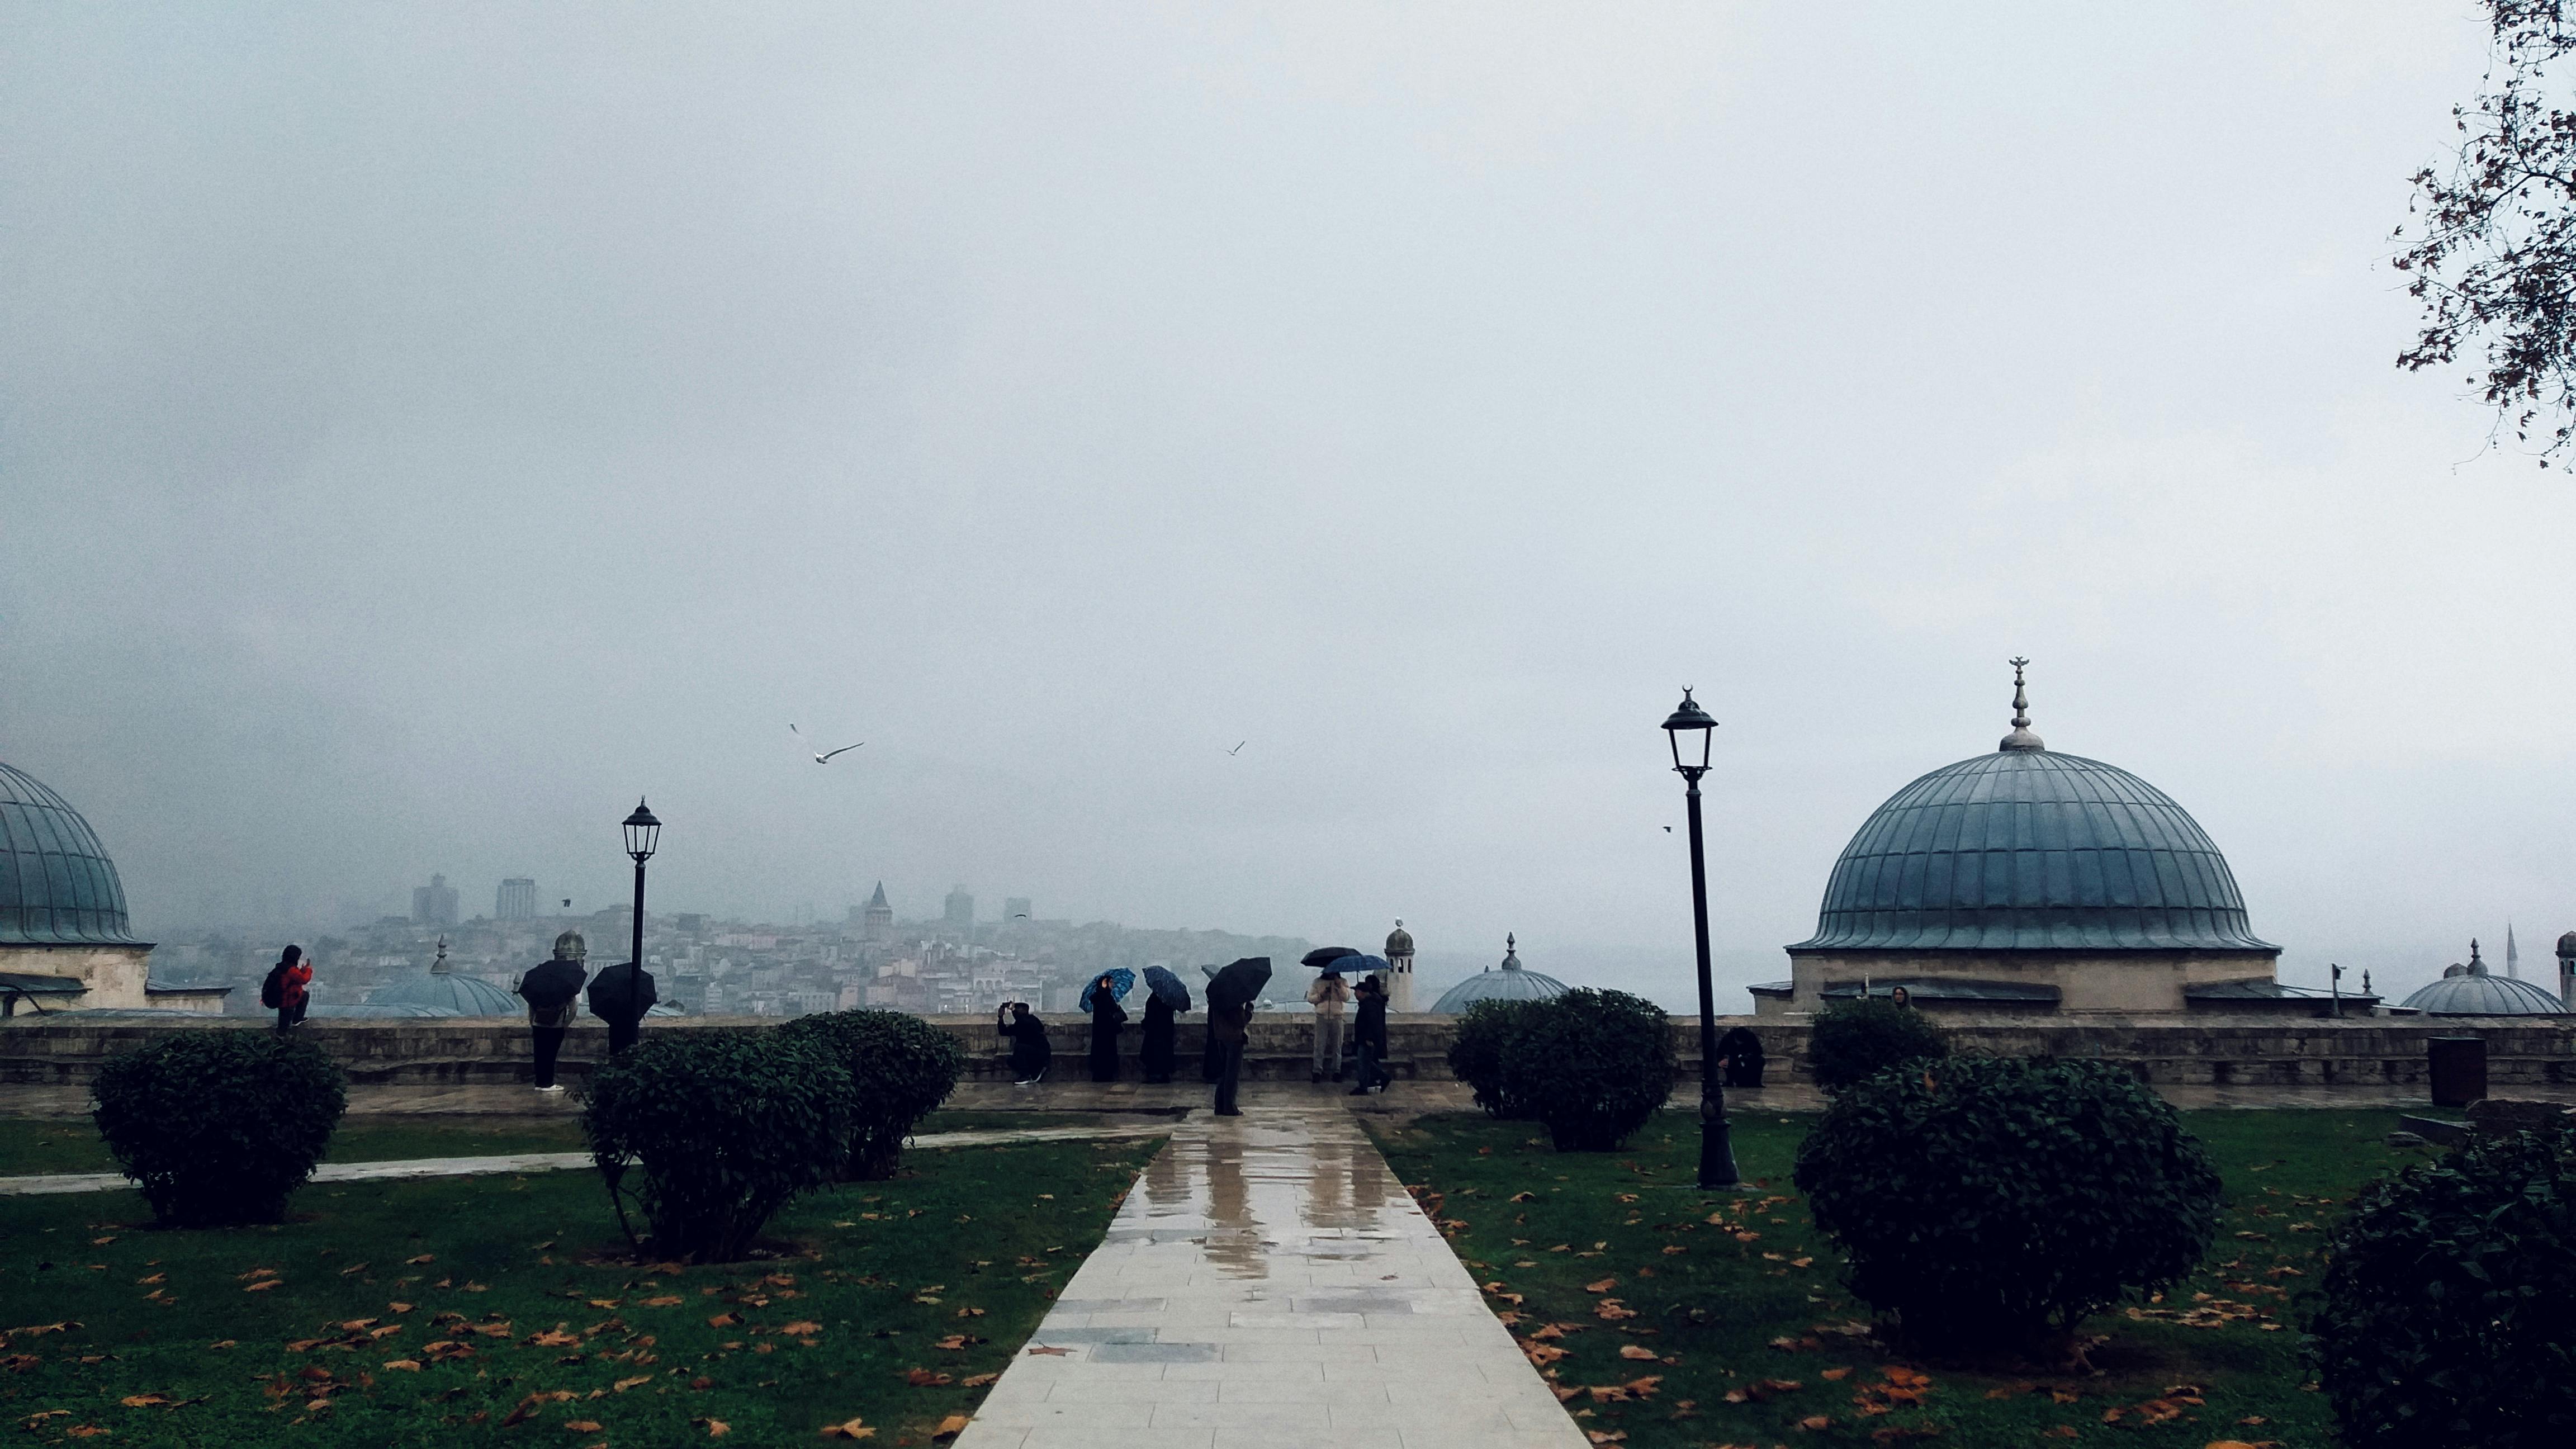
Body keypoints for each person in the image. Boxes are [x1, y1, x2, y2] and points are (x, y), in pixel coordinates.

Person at [516, 934, 587, 1095]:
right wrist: (565, 1024)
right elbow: (574, 1010)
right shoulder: (567, 987)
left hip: (538, 1024)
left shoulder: (538, 986)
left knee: (540, 1055)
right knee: (551, 1055)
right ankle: (548, 1083)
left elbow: (531, 1007)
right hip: (555, 1026)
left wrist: (532, 1022)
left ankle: (540, 1082)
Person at [1208, 997, 1253, 1116]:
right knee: (1232, 1074)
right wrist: (1249, 1008)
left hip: (1221, 1037)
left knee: (1224, 1073)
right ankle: (1229, 1107)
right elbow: (1241, 1020)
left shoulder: (1217, 998)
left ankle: (1219, 1105)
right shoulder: (1232, 1000)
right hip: (1234, 1038)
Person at [1347, 973, 1390, 1095]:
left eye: (1357, 991)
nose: (1355, 994)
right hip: (1364, 1038)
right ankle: (1375, 1081)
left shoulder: (1370, 1005)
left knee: (1363, 1062)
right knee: (1365, 1062)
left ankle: (1367, 1085)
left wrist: (1369, 1038)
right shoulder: (1370, 1003)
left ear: (1363, 992)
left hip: (1366, 1039)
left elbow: (1372, 1023)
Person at [1306, 968, 1350, 1083]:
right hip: (1322, 1017)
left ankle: (1336, 1071)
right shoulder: (1317, 982)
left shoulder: (1343, 982)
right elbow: (1310, 998)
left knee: (1337, 1046)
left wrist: (1339, 986)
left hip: (1337, 1017)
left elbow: (1346, 998)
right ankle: (1317, 1071)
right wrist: (1322, 995)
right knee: (1319, 1046)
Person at [997, 1001, 1052, 1086]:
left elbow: (1024, 1021)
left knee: (1020, 1048)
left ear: (1024, 1010)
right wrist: (1001, 1018)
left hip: (1041, 1053)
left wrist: (1013, 1009)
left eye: (1017, 1009)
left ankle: (1027, 1075)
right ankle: (1031, 1073)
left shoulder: (1032, 1020)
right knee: (1011, 1060)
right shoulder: (1019, 1025)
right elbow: (1003, 1032)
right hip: (1030, 1055)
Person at [1087, 974, 1128, 1082]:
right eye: (1110, 983)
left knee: (1100, 1052)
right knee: (1107, 1052)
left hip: (1100, 1030)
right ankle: (1106, 1074)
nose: (1113, 985)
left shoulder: (1098, 997)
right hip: (1108, 1030)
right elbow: (1112, 1010)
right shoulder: (1107, 997)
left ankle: (1099, 1074)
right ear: (1104, 983)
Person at [265, 945, 311, 1033]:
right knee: (283, 1027)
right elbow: (304, 979)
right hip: (287, 1000)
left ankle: (297, 1019)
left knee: (304, 995)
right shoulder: (291, 970)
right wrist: (309, 970)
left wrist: (303, 970)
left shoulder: (282, 966)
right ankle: (283, 1038)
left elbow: (295, 977)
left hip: (283, 997)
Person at [1139, 987, 1181, 1084]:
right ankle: (1164, 1075)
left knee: (1152, 1054)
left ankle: (1153, 1075)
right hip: (1166, 1033)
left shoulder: (1153, 999)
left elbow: (1149, 1017)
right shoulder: (1169, 1000)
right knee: (1165, 1054)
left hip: (1154, 1033)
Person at [1716, 1024, 1765, 1089]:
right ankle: (1730, 1081)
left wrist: (1749, 1056)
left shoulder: (1751, 1037)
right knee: (1728, 1061)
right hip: (1734, 1062)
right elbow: (1719, 1053)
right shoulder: (1728, 1038)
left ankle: (1756, 1082)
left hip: (1748, 1062)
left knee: (1760, 1060)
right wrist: (1719, 1063)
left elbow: (1759, 1051)